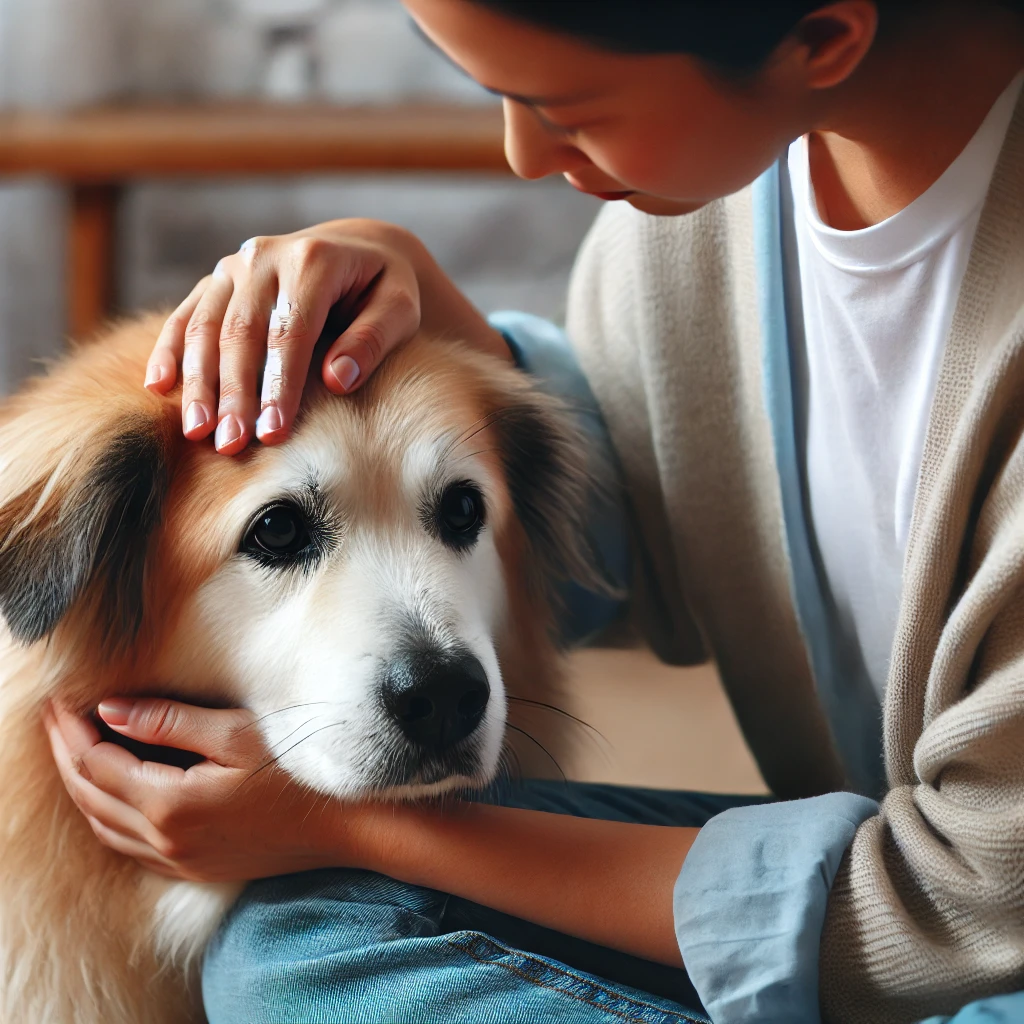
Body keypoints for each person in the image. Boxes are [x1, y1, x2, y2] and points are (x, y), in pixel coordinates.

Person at [43, 1, 1024, 1021]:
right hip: (899, 874)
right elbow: (645, 523)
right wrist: (411, 282)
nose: (521, 154)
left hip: (978, 925)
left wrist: (363, 831)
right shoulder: (706, 222)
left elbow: (974, 904)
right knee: (304, 934)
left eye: (563, 104)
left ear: (823, 36)